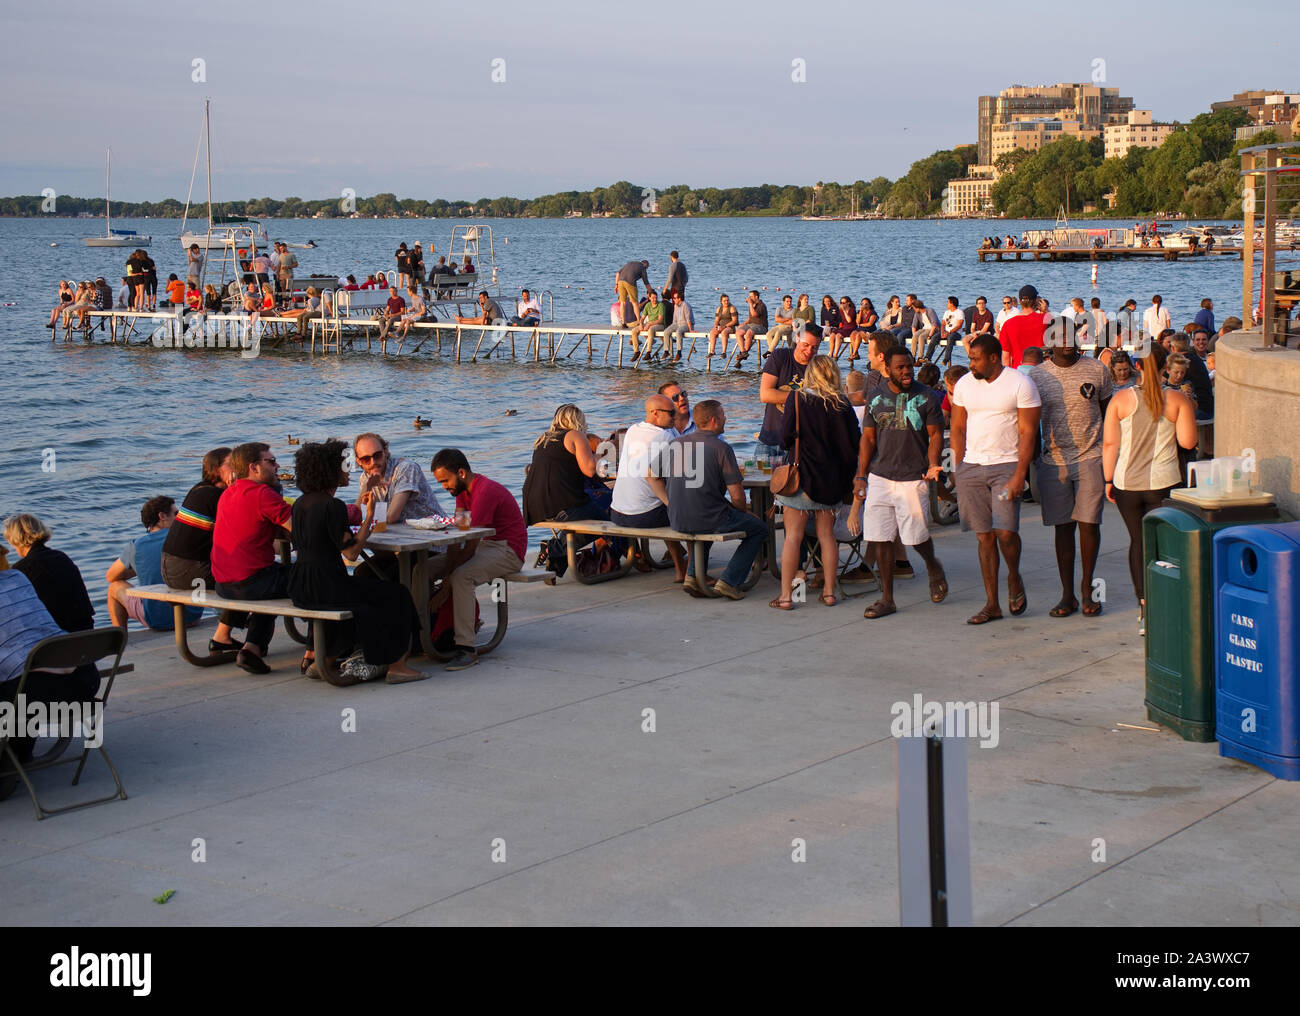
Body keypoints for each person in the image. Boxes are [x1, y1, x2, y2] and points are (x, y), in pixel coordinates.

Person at [289, 440, 423, 684]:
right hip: (328, 586)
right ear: (330, 471)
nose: (349, 470)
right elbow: (351, 553)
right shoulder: (333, 506)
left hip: (301, 584)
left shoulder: (301, 503)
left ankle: (327, 661)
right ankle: (397, 665)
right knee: (398, 595)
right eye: (344, 466)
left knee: (366, 587)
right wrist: (370, 516)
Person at [1102, 345, 1198, 634]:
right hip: (1164, 483)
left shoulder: (1120, 400)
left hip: (1127, 483)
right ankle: (1167, 605)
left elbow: (1110, 445)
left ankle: (1144, 609)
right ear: (1164, 367)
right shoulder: (1176, 399)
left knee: (1138, 542)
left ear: (1137, 367)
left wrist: (1108, 480)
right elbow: (1188, 442)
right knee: (1166, 546)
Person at [950, 333, 1042, 625]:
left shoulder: (1020, 383)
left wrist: (1019, 475)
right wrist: (957, 466)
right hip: (972, 468)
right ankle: (992, 604)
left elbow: (1029, 432)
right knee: (984, 536)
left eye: (975, 359)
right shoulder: (964, 384)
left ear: (993, 357)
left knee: (1005, 532)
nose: (971, 364)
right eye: (969, 359)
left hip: (1006, 466)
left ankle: (1014, 577)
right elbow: (957, 427)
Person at [849, 347, 948, 617]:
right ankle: (887, 598)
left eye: (909, 366)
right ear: (888, 370)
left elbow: (935, 435)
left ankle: (932, 563)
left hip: (913, 477)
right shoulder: (875, 397)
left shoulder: (926, 396)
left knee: (915, 536)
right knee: (879, 537)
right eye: (900, 367)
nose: (906, 371)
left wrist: (932, 463)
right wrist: (861, 475)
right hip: (880, 476)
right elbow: (867, 439)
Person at [1027, 329, 1114, 618]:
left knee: (1089, 524)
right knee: (1063, 529)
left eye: (1070, 335)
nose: (1066, 341)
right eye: (1058, 336)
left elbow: (1108, 414)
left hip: (1092, 456)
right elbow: (1029, 420)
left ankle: (1087, 589)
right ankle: (1067, 595)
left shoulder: (1097, 369)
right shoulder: (1038, 376)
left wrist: (1112, 455)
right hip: (1054, 461)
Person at [769, 355, 860, 609]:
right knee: (827, 536)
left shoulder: (797, 399)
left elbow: (785, 438)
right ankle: (830, 593)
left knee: (793, 537)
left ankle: (787, 596)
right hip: (831, 479)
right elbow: (853, 445)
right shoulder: (842, 404)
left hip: (801, 476)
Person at [427, 449, 529, 671]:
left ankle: (466, 648)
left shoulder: (485, 492)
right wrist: (444, 572)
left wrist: (446, 586)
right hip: (485, 545)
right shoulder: (462, 491)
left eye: (445, 480)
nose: (443, 487)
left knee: (462, 576)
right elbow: (458, 538)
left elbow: (470, 545)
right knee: (423, 569)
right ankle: (424, 631)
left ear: (461, 472)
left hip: (508, 550)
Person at [0, 570, 101, 784]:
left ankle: (11, 762)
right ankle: (17, 753)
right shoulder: (18, 577)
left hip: (41, 695)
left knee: (14, 690)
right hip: (84, 681)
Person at [663, 400, 767, 601]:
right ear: (714, 420)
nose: (726, 418)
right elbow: (737, 496)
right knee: (759, 528)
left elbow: (653, 474)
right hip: (707, 517)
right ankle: (730, 580)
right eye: (723, 415)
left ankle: (693, 575)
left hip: (677, 517)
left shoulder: (675, 444)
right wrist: (743, 511)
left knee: (709, 513)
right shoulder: (721, 448)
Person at [212, 443, 293, 674]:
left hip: (223, 584)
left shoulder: (229, 493)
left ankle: (252, 648)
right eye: (271, 461)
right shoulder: (262, 494)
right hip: (251, 582)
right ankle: (316, 649)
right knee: (310, 578)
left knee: (273, 577)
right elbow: (302, 533)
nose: (277, 465)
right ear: (254, 468)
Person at [161, 446, 244, 652]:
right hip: (189, 571)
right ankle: (224, 636)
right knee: (250, 580)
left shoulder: (200, 489)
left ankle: (227, 633)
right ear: (217, 470)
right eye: (231, 464)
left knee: (246, 574)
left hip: (171, 568)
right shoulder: (216, 496)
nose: (237, 468)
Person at [522, 404, 607, 576]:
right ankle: (555, 548)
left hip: (534, 507)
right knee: (610, 517)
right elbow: (590, 470)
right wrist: (602, 451)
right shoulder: (575, 435)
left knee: (591, 516)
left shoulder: (543, 439)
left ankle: (556, 563)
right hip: (562, 506)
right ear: (579, 421)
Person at [610, 395, 687, 580]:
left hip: (617, 513)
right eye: (671, 413)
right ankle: (692, 570)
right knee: (686, 508)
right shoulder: (665, 436)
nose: (675, 416)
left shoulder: (633, 430)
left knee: (664, 503)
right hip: (642, 516)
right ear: (655, 413)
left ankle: (681, 568)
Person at [106, 496, 203, 631]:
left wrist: (139, 566)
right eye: (176, 514)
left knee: (114, 588)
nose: (180, 518)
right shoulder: (189, 538)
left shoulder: (136, 546)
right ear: (162, 516)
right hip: (193, 615)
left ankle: (119, 638)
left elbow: (111, 576)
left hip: (158, 619)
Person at [4, 514, 94, 633]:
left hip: (52, 639)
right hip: (85, 632)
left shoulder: (20, 571)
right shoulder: (62, 557)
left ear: (15, 539)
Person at [757, 324, 823, 461]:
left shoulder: (819, 368)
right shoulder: (780, 356)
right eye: (806, 344)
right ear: (797, 338)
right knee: (759, 480)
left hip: (799, 444)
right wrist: (804, 397)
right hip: (770, 437)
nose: (809, 351)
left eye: (814, 347)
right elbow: (765, 395)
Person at [354, 432, 445, 525]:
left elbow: (391, 517)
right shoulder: (365, 477)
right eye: (366, 459)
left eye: (377, 455)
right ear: (359, 461)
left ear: (385, 452)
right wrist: (366, 488)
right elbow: (355, 516)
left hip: (436, 530)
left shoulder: (406, 469)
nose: (373, 462)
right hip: (403, 533)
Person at [999, 284, 1047, 368]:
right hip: (1042, 371)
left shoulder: (1008, 324)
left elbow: (1005, 357)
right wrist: (1046, 310)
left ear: (1020, 302)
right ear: (1036, 300)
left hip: (1019, 372)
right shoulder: (1046, 320)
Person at [926, 296, 964, 365]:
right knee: (934, 337)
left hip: (956, 333)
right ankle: (927, 357)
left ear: (952, 303)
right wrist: (942, 332)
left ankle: (946, 358)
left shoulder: (959, 312)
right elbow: (943, 323)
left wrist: (949, 332)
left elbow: (959, 325)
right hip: (946, 331)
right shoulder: (946, 312)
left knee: (950, 338)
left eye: (948, 302)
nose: (947, 304)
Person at [734, 290, 768, 364]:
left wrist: (750, 304)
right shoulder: (753, 305)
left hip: (761, 326)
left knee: (749, 333)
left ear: (756, 297)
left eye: (751, 296)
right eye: (749, 296)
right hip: (751, 325)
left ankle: (744, 352)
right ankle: (743, 352)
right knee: (739, 332)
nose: (750, 298)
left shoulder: (761, 305)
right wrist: (744, 323)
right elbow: (750, 318)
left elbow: (754, 315)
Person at [631, 289, 666, 361]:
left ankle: (648, 352)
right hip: (649, 324)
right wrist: (640, 323)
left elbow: (660, 320)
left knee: (650, 330)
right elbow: (643, 317)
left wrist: (649, 324)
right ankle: (636, 352)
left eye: (656, 298)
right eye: (653, 298)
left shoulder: (660, 305)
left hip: (660, 325)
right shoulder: (648, 305)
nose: (654, 299)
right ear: (649, 298)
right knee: (634, 331)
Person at [660, 290, 694, 362]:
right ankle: (666, 351)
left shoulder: (685, 305)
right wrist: (671, 328)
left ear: (679, 299)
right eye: (673, 298)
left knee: (678, 332)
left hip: (686, 324)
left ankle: (679, 353)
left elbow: (688, 319)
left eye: (675, 298)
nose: (673, 299)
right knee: (666, 331)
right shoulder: (675, 305)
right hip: (677, 324)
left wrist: (690, 329)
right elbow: (674, 320)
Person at [615, 259, 653, 324]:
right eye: (647, 268)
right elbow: (646, 283)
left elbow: (618, 273)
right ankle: (639, 321)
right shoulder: (643, 268)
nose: (646, 269)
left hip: (620, 281)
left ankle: (623, 322)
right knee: (634, 302)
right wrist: (651, 293)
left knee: (622, 302)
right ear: (646, 265)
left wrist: (616, 285)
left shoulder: (630, 263)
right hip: (630, 282)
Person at [847, 297, 879, 362]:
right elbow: (857, 322)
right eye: (862, 304)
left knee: (859, 335)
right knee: (852, 334)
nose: (864, 305)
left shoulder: (873, 312)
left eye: (866, 304)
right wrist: (861, 311)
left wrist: (860, 325)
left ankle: (854, 353)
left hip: (869, 329)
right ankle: (856, 354)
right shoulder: (859, 311)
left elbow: (870, 324)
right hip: (860, 329)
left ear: (869, 305)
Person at [707, 294, 738, 358]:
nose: (726, 302)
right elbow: (716, 320)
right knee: (712, 332)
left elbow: (734, 321)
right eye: (725, 301)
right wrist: (715, 325)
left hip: (731, 326)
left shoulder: (732, 308)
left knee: (724, 333)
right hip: (721, 326)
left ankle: (724, 352)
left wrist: (725, 326)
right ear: (721, 302)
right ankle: (712, 351)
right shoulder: (719, 308)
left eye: (727, 300)